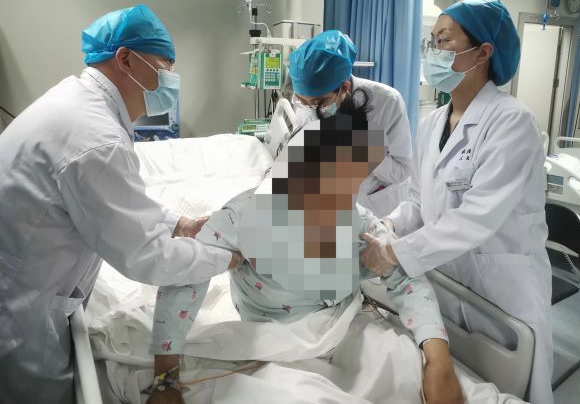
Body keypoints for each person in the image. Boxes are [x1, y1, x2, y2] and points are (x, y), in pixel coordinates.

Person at [145, 98, 463, 404]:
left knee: (403, 371)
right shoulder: (242, 217)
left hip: (339, 324)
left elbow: (407, 279)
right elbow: (186, 277)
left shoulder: (358, 224)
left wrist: (439, 361)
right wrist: (165, 379)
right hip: (270, 335)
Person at [0, 4, 242, 404]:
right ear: (126, 59)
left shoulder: (78, 104)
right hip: (20, 314)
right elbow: (150, 257)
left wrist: (178, 223)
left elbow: (115, 201)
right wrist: (226, 258)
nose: (172, 79)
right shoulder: (96, 139)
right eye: (165, 66)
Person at [359, 0, 553, 404]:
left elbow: (475, 219)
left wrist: (393, 252)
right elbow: (418, 200)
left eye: (444, 40)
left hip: (501, 290)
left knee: (509, 388)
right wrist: (390, 224)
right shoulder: (432, 122)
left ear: (483, 53)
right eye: (431, 41)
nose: (433, 51)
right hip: (448, 282)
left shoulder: (512, 122)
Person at [287, 30, 412, 218]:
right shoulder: (305, 102)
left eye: (319, 102)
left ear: (344, 88)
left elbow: (403, 170)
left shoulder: (388, 102)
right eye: (302, 101)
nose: (311, 109)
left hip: (376, 207)